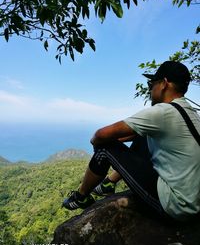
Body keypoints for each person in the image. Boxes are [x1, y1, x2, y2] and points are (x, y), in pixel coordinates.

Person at [63, 61, 200, 221]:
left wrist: (98, 143)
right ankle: (109, 182)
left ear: (164, 83)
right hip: (193, 201)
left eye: (151, 83)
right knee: (143, 134)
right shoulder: (190, 113)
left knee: (104, 147)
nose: (150, 88)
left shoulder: (163, 112)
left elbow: (101, 135)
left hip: (177, 206)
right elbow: (135, 135)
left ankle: (81, 196)